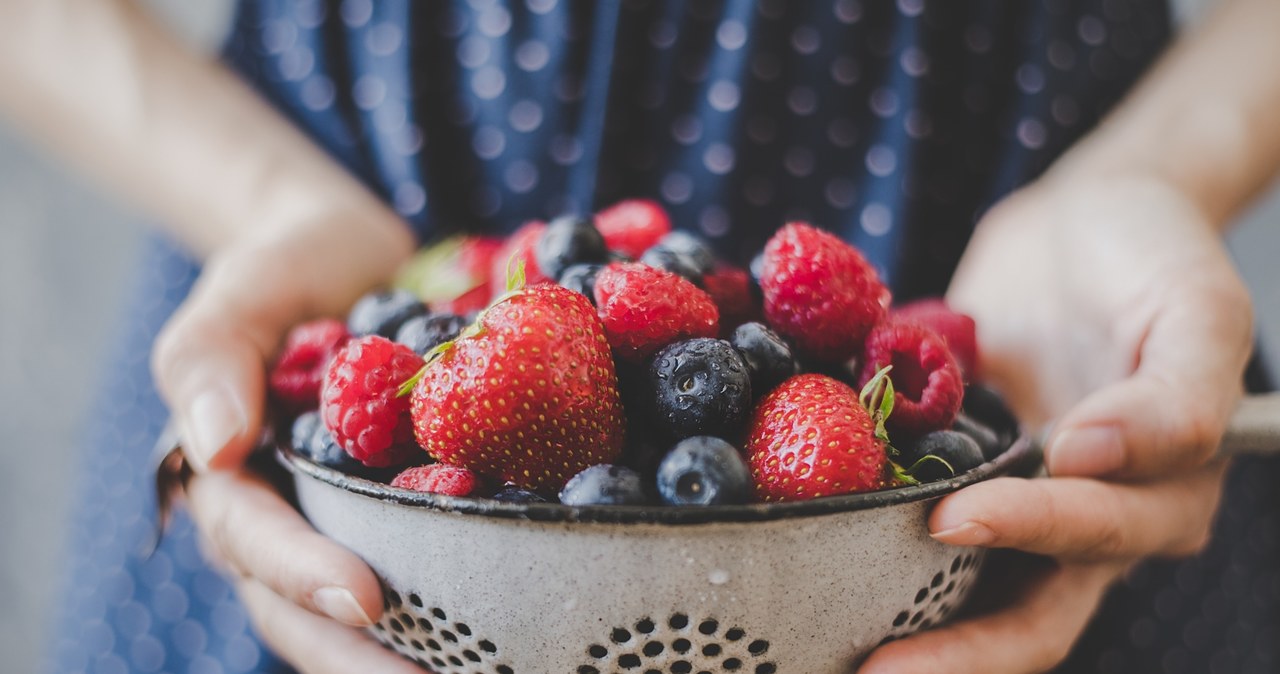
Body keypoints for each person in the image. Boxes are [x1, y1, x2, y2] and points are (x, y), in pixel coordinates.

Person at [2, 0, 1277, 672]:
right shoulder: (409, 356)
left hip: (1003, 186)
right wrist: (268, 204)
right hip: (344, 206)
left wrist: (1164, 163)